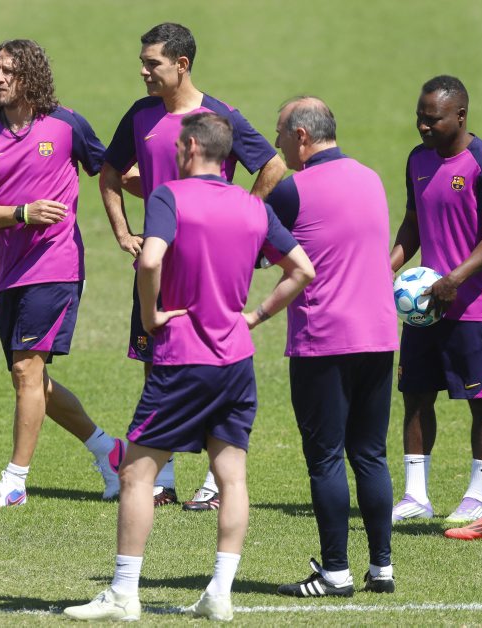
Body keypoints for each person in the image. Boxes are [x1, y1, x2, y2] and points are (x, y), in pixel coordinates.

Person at [64, 113, 313, 621]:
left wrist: (152, 315)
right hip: (235, 359)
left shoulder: (169, 197)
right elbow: (302, 269)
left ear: (193, 147)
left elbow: (150, 259)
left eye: (179, 146)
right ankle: (219, 592)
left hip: (182, 359)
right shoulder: (252, 206)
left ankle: (123, 593)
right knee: (232, 477)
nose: (175, 153)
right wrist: (256, 316)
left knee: (136, 473)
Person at [100, 22, 285, 509]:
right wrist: (122, 232)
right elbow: (109, 171)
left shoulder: (218, 117)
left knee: (217, 362)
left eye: (153, 63)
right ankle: (162, 479)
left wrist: (245, 218)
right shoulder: (140, 115)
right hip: (157, 264)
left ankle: (215, 481)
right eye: (143, 63)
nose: (144, 72)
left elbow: (272, 165)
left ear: (181, 65)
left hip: (208, 269)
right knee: (154, 362)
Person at [0, 39, 125, 506]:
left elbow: (110, 171)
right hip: (10, 271)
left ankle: (15, 482)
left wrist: (169, 189)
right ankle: (110, 452)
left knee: (25, 369)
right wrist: (21, 213)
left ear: (30, 76)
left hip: (57, 265)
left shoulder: (67, 125)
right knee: (31, 380)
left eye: (9, 71)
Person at [266, 97, 398, 596]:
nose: (277, 143)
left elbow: (256, 249)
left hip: (323, 340)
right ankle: (381, 569)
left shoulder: (292, 190)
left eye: (280, 133)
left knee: (325, 459)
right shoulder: (371, 178)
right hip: (378, 336)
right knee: (371, 455)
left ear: (301, 135)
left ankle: (336, 572)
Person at [390, 75, 482, 526]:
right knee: (416, 396)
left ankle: (475, 496)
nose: (423, 126)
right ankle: (416, 495)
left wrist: (455, 278)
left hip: (476, 306)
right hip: (425, 306)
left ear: (460, 115)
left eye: (432, 119)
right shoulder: (418, 159)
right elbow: (412, 223)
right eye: (420, 117)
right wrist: (387, 267)